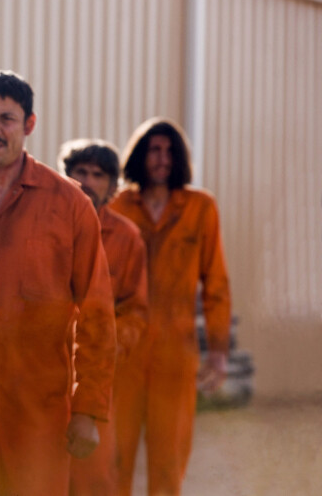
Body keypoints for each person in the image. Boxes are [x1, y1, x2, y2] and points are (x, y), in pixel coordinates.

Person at [0, 71, 117, 496]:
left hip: (36, 417)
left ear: (29, 123)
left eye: (7, 119)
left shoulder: (69, 204)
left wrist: (88, 409)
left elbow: (97, 314)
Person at [109, 117, 231, 496]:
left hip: (175, 354)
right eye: (153, 150)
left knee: (168, 461)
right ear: (139, 156)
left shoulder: (200, 208)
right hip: (123, 352)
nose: (162, 158)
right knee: (115, 460)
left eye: (169, 151)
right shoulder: (118, 206)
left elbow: (216, 284)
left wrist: (218, 352)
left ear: (179, 158)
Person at [59, 139, 149, 496]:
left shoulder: (127, 238)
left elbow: (135, 311)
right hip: (42, 372)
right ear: (65, 177)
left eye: (98, 175)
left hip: (98, 376)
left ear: (113, 187)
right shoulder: (46, 226)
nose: (87, 181)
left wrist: (106, 344)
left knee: (94, 475)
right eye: (80, 172)